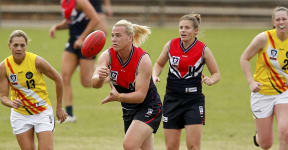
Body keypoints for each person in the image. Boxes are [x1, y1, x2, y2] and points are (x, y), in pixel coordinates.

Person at [152, 14, 220, 150]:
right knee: (171, 147)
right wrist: (154, 75)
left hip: (193, 101)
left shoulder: (203, 50)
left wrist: (211, 80)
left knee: (193, 146)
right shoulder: (171, 45)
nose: (183, 30)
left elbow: (216, 73)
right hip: (171, 100)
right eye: (181, 27)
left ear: (196, 31)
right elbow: (159, 64)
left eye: (187, 28)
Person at [92, 19, 162, 150]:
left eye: (118, 35)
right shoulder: (107, 55)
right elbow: (95, 83)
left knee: (129, 144)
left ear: (130, 38)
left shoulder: (143, 59)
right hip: (129, 109)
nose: (114, 39)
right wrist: (99, 77)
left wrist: (118, 97)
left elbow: (140, 96)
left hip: (149, 107)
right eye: (112, 35)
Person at [240, 6, 288, 150]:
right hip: (261, 94)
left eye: (284, 19)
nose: (281, 22)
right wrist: (251, 82)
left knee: (285, 133)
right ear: (273, 22)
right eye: (277, 19)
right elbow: (244, 58)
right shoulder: (263, 38)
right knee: (266, 144)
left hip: (283, 93)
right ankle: (259, 136)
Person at [0, 30, 67, 150]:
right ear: (9, 45)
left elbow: (58, 79)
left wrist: (59, 107)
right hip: (20, 115)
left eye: (22, 45)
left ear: (26, 45)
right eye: (15, 45)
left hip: (42, 112)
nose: (19, 48)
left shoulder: (37, 61)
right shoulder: (4, 67)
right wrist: (10, 103)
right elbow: (3, 96)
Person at [49, 0, 106, 122]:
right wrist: (57, 26)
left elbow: (95, 19)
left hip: (87, 44)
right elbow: (71, 21)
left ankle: (112, 76)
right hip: (72, 43)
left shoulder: (81, 1)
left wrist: (82, 38)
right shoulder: (64, 2)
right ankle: (69, 114)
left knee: (86, 82)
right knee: (64, 76)